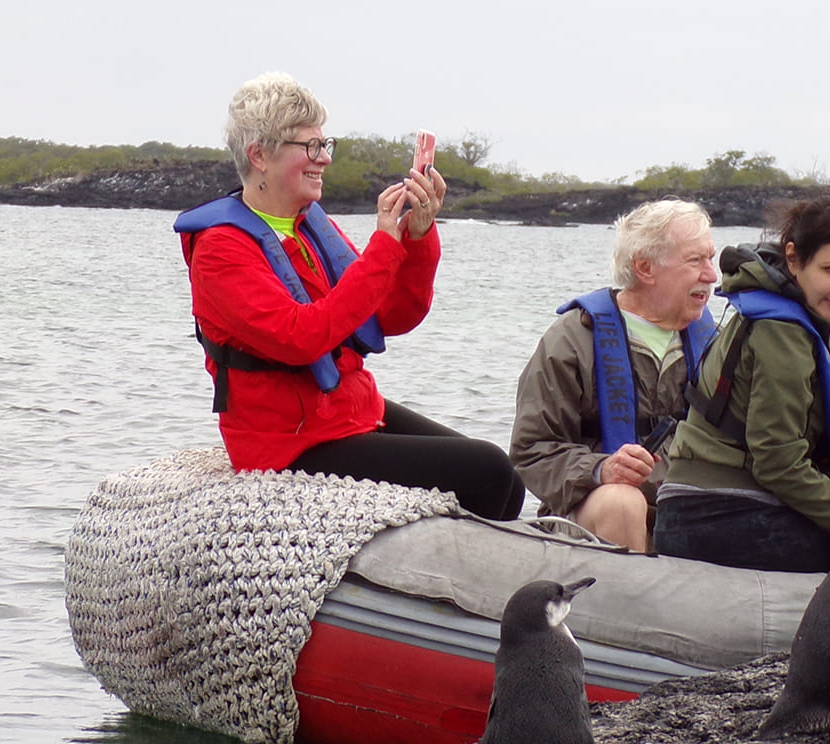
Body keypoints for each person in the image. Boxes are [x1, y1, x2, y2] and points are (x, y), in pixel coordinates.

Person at [175, 73, 523, 519]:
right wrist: (383, 244)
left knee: (507, 479)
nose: (323, 159)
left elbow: (392, 317)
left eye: (325, 145)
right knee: (487, 471)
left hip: (341, 411)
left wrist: (416, 238)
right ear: (259, 155)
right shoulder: (221, 248)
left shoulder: (308, 225)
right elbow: (301, 338)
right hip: (287, 442)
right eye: (310, 147)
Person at [654, 192, 830, 573]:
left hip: (697, 503)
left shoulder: (790, 311)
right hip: (715, 512)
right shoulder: (782, 331)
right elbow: (778, 461)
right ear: (793, 258)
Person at [508, 200, 719, 550]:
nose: (711, 275)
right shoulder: (572, 340)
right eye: (695, 260)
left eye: (710, 259)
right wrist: (601, 469)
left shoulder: (720, 345)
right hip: (596, 507)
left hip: (687, 504)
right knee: (622, 503)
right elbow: (532, 451)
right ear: (645, 268)